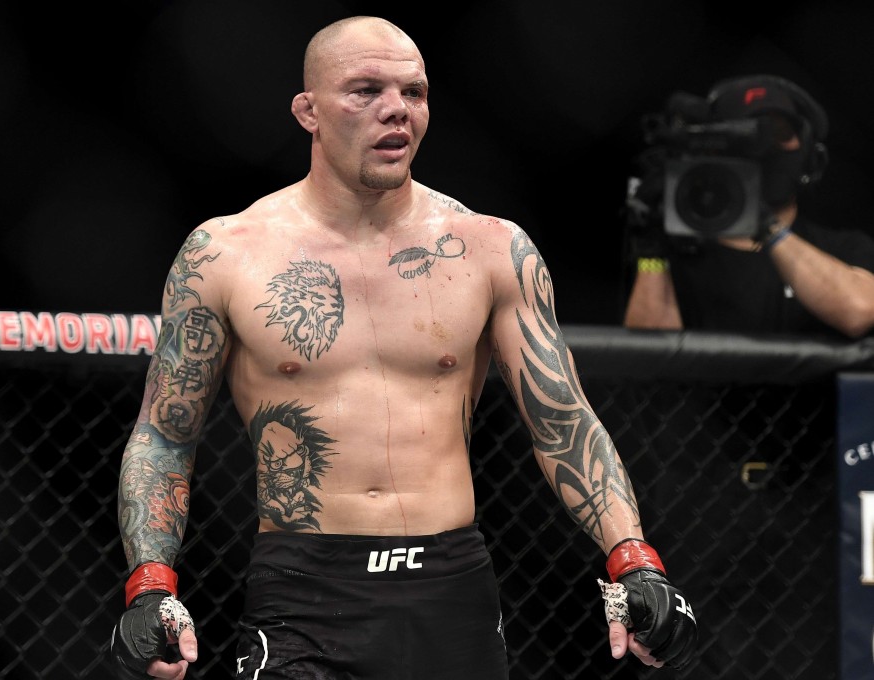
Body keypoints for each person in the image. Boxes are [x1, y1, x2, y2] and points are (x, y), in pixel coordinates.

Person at [108, 16, 698, 680]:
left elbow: (562, 421)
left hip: (449, 590)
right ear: (308, 111)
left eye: (412, 92)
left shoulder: (489, 249)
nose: (396, 110)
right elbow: (164, 435)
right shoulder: (226, 254)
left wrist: (634, 559)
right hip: (304, 593)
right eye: (365, 90)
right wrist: (151, 583)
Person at [623, 73, 874, 339]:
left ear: (809, 154)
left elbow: (859, 311)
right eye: (747, 135)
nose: (765, 150)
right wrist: (651, 253)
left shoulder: (842, 248)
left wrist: (766, 227)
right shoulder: (676, 255)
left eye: (780, 134)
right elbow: (653, 360)